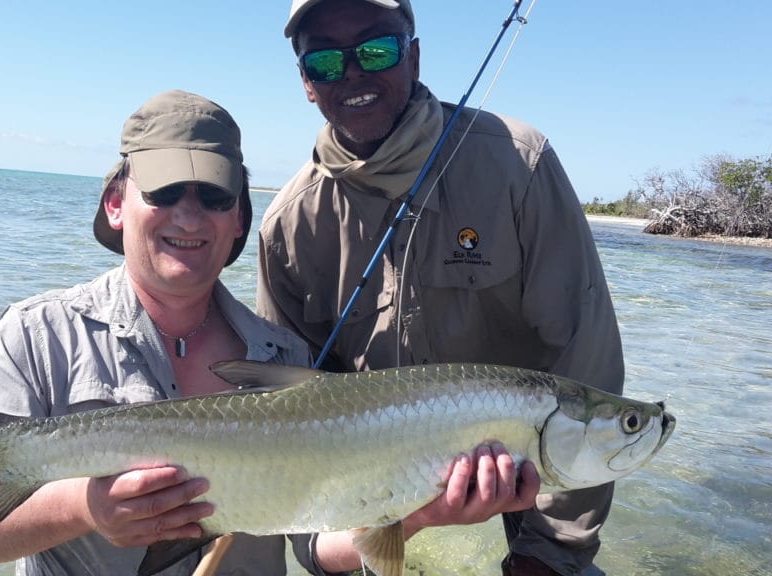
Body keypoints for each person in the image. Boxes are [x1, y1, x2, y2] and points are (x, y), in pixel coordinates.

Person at [258, 1, 626, 575]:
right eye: (326, 61)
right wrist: (329, 546)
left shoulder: (517, 163)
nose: (353, 72)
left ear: (415, 54)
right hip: (370, 478)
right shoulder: (287, 225)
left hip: (524, 459)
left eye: (377, 49)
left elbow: (588, 361)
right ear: (306, 82)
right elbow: (282, 414)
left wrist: (549, 553)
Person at [0, 89, 314, 575]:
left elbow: (320, 539)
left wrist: (411, 510)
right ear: (115, 204)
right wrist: (85, 507)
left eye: (213, 196)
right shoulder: (38, 335)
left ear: (238, 220)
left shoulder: (289, 358)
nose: (188, 216)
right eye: (164, 192)